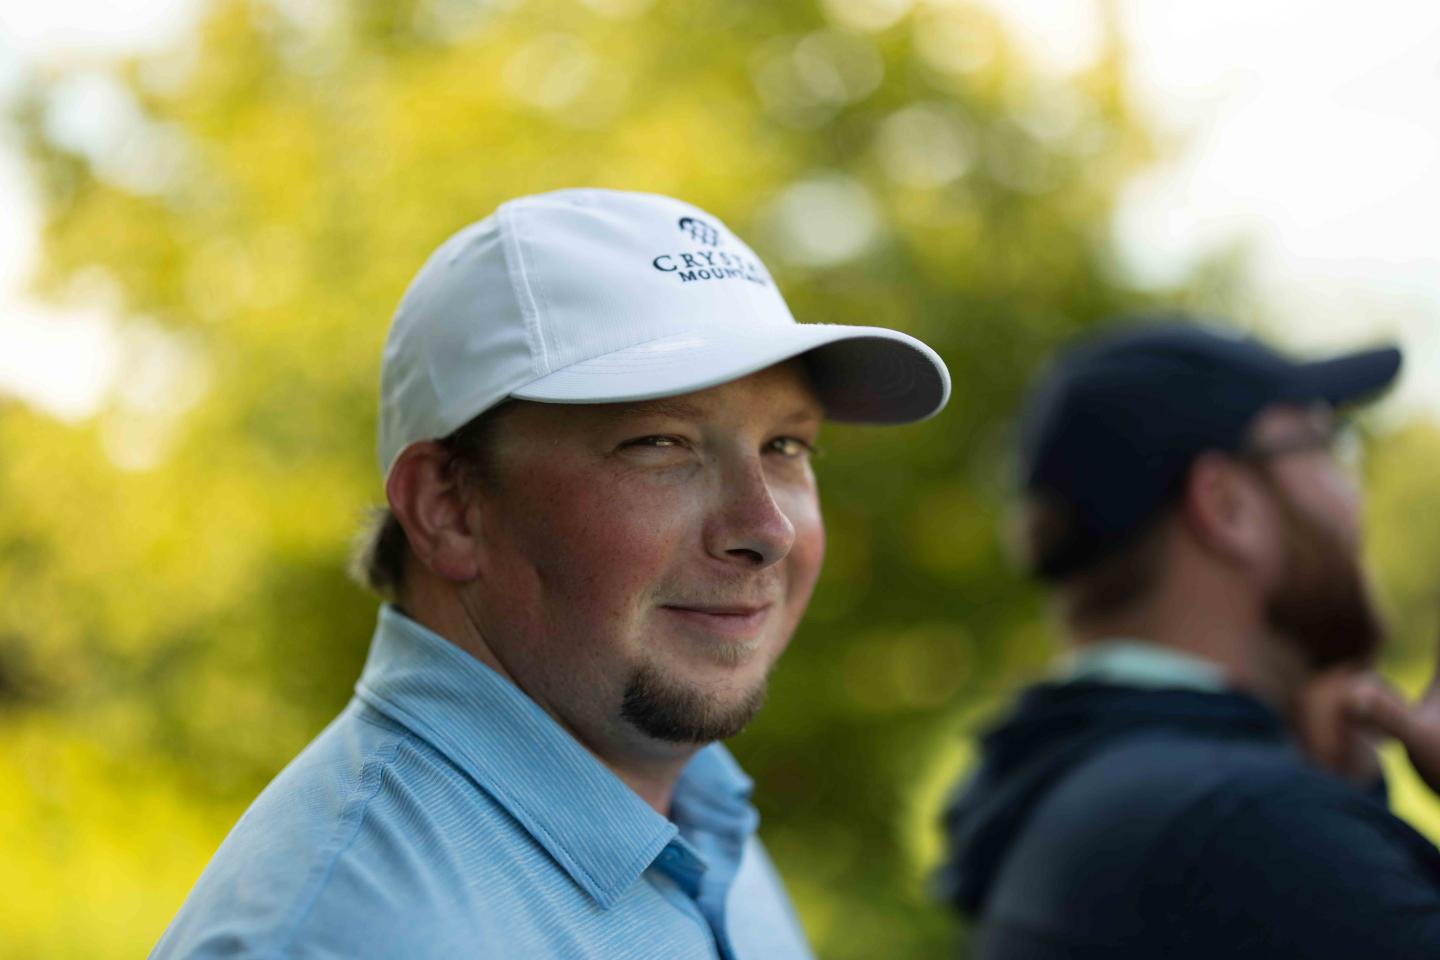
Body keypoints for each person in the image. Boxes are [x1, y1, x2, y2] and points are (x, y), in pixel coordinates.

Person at [153, 188, 950, 958]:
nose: (766, 530)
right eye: (660, 443)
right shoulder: (342, 933)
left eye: (786, 447)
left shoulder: (696, 816)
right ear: (448, 509)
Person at [937, 316, 1440, 958]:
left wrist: (1337, 793)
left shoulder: (1056, 779)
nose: (1356, 500)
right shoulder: (1256, 830)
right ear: (1225, 504)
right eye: (1327, 447)